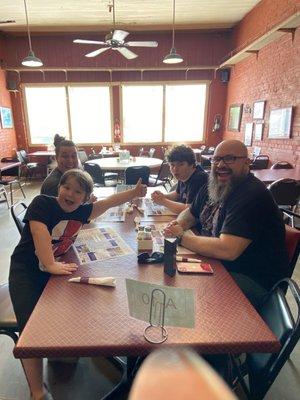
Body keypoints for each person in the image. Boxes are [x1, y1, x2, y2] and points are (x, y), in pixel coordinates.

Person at [9, 169, 147, 400]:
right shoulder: (42, 203)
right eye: (66, 187)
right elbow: (39, 231)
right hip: (27, 271)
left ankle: (62, 350)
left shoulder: (84, 212)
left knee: (78, 305)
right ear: (58, 188)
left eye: (78, 191)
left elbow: (108, 202)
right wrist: (50, 263)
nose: (70, 194)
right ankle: (37, 391)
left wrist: (133, 192)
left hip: (56, 268)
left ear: (85, 198)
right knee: (30, 328)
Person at [164, 139, 289, 307]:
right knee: (169, 279)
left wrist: (181, 237)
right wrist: (178, 225)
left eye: (229, 158)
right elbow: (191, 212)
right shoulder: (214, 183)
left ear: (247, 162)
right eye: (216, 159)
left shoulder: (252, 194)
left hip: (253, 280)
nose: (221, 165)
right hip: (221, 264)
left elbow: (227, 249)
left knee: (186, 298)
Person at [151, 145, 207, 214]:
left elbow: (188, 210)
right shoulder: (183, 174)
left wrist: (163, 201)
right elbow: (177, 194)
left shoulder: (199, 178)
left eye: (181, 164)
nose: (175, 169)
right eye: (172, 165)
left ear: (192, 164)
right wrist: (162, 196)